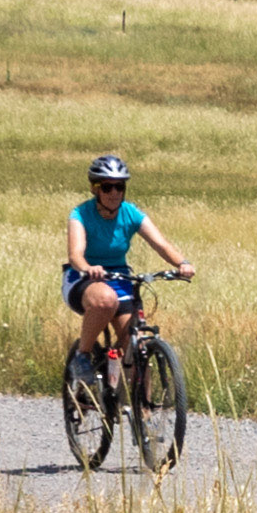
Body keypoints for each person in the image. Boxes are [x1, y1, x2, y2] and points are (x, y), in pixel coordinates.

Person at [58, 151, 197, 367]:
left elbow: (161, 244)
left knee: (136, 345)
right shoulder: (80, 214)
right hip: (82, 277)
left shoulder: (130, 213)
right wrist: (89, 268)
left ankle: (140, 399)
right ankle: (82, 356)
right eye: (107, 187)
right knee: (105, 300)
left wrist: (182, 263)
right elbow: (75, 254)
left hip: (119, 277)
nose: (114, 193)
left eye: (119, 187)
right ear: (95, 189)